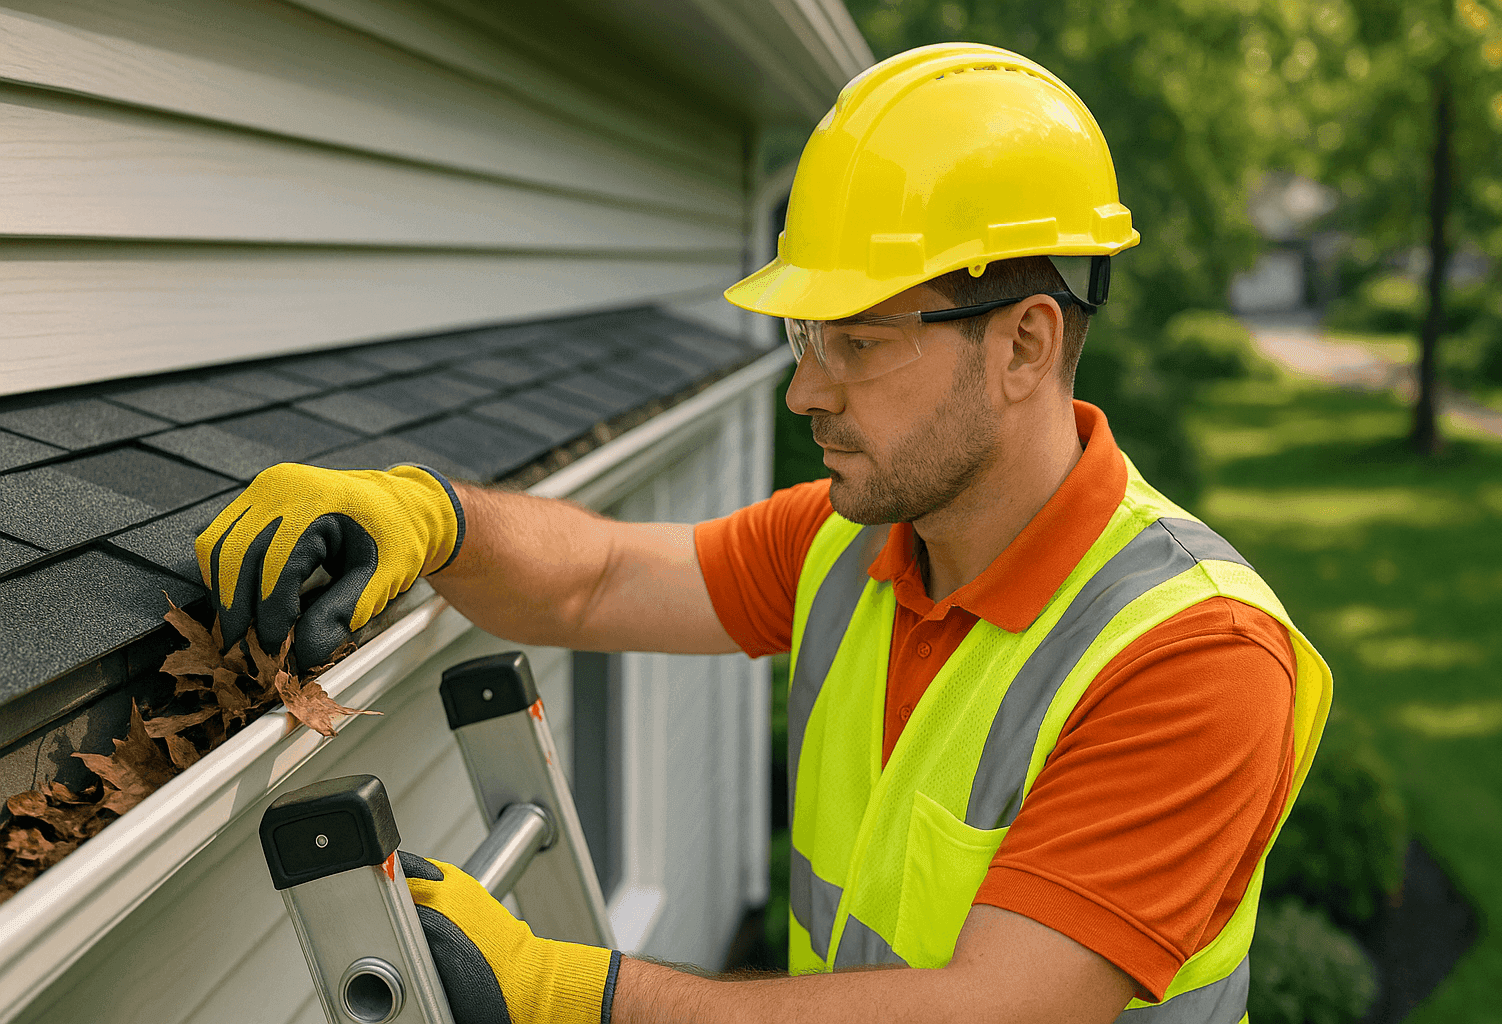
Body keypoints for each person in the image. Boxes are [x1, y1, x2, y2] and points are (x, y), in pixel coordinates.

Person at [200, 43, 1330, 1024]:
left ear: (1025, 346)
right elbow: (594, 582)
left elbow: (997, 1007)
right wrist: (430, 516)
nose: (805, 391)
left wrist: (569, 995)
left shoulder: (1194, 657)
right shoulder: (856, 547)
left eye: (858, 341)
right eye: (806, 332)